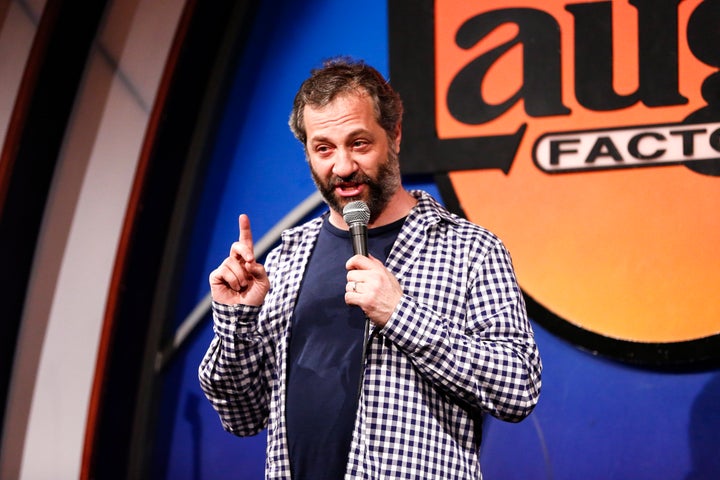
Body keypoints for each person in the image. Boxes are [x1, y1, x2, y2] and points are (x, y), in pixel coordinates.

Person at [199, 57, 542, 479]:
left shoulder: (470, 249)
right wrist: (237, 320)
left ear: (394, 135)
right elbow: (242, 416)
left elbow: (518, 388)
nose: (342, 167)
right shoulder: (287, 259)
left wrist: (401, 315)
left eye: (359, 143)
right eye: (323, 148)